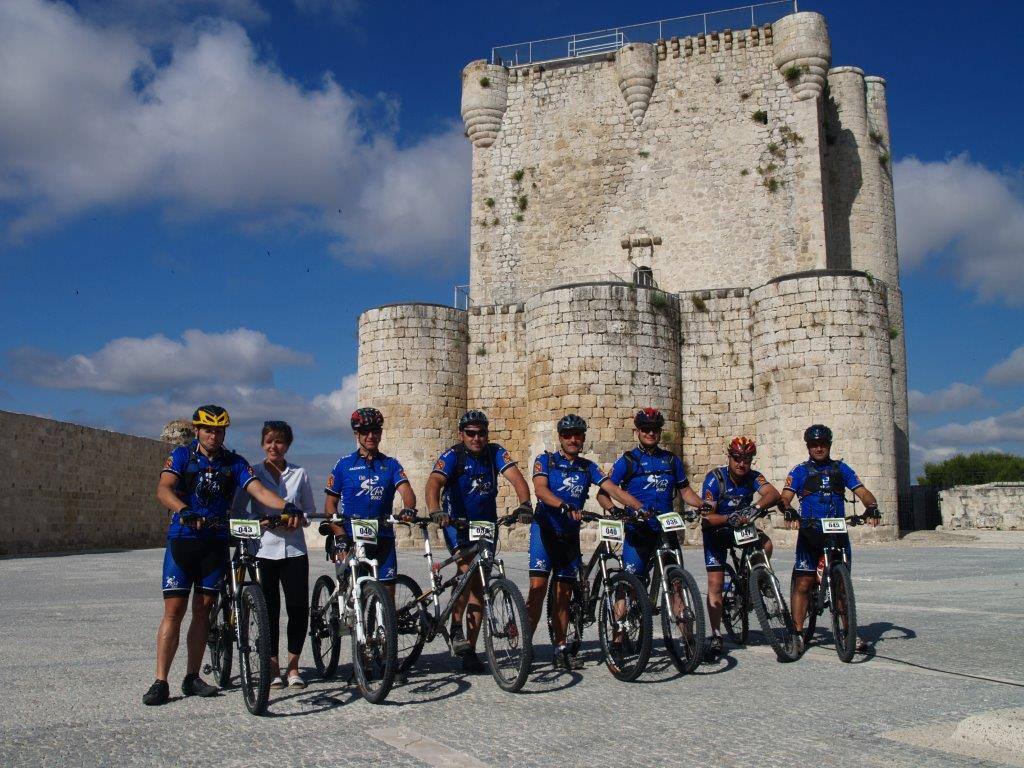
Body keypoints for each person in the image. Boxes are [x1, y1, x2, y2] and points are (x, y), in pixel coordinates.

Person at [143, 405, 302, 706]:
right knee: (174, 612)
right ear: (198, 430)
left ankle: (191, 677)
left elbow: (257, 490)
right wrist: (183, 509)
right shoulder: (182, 456)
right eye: (208, 430)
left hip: (215, 542)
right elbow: (164, 489)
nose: (214, 435)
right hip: (183, 539)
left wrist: (285, 506)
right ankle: (160, 680)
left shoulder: (234, 463)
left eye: (219, 430)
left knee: (203, 610)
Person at [525, 415, 644, 671]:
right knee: (538, 588)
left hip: (569, 534)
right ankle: (525, 643)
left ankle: (560, 648)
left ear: (583, 438)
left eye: (577, 435)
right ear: (560, 437)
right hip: (544, 530)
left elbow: (613, 489)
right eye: (567, 435)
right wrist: (563, 504)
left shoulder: (587, 467)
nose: (572, 439)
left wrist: (638, 508)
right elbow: (541, 490)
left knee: (564, 593)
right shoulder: (545, 460)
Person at [424, 410, 532, 673]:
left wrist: (525, 504)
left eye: (481, 432)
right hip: (458, 525)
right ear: (462, 435)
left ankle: (469, 650)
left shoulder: (495, 453)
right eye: (470, 433)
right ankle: (457, 626)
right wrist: (436, 510)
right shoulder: (453, 456)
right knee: (465, 572)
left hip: (485, 526)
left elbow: (517, 478)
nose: (476, 438)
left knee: (480, 584)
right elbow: (434, 482)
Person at [779, 424, 881, 656]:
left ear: (829, 445)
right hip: (810, 532)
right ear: (808, 446)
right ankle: (796, 633)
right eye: (814, 444)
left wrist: (872, 507)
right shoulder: (800, 471)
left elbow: (862, 492)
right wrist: (789, 510)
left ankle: (848, 632)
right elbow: (785, 497)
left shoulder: (841, 468)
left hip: (837, 532)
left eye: (823, 444)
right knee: (804, 583)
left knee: (841, 585)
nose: (819, 448)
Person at [231, 420, 316, 689]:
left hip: (294, 550)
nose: (273, 446)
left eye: (279, 441)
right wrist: (262, 522)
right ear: (262, 444)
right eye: (269, 441)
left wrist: (297, 519)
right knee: (269, 610)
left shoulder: (299, 474)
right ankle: (272, 665)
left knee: (298, 608)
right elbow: (239, 511)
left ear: (287, 445)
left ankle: (293, 666)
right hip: (264, 550)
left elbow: (308, 512)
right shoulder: (252, 473)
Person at [598, 408, 705, 580]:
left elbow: (685, 491)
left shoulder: (671, 460)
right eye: (645, 429)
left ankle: (680, 607)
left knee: (676, 581)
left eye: (655, 429)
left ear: (660, 432)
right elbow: (602, 494)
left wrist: (701, 504)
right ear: (637, 432)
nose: (650, 433)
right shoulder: (627, 461)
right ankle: (622, 607)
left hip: (666, 529)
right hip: (638, 530)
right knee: (630, 583)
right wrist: (613, 510)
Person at [699, 436, 781, 660]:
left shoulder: (753, 477)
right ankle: (716, 635)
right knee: (715, 584)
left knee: (766, 544)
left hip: (741, 528)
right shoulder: (715, 479)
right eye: (737, 458)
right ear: (729, 457)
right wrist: (728, 518)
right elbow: (707, 518)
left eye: (746, 459)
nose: (741, 464)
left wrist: (754, 509)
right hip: (717, 531)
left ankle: (755, 581)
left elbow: (773, 493)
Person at [322, 408, 417, 600]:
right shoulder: (344, 465)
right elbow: (330, 504)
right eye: (365, 431)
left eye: (376, 431)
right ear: (356, 433)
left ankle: (383, 628)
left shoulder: (391, 464)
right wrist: (339, 535)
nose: (371, 436)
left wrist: (408, 507)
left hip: (382, 536)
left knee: (387, 599)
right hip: (350, 536)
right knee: (352, 597)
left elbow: (407, 491)